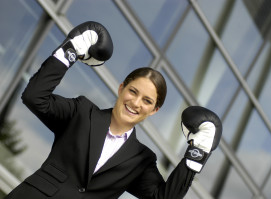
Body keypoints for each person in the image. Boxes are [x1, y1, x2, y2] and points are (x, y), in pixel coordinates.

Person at [5, 21, 222, 199]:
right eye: (133, 91)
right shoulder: (81, 112)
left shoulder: (141, 159)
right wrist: (70, 51)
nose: (136, 103)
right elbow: (35, 97)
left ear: (154, 110)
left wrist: (198, 154)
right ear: (121, 89)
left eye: (146, 101)